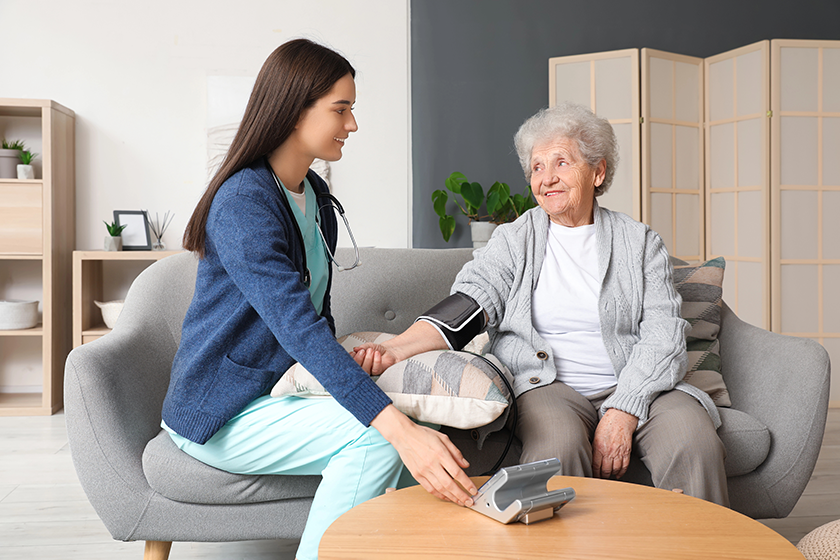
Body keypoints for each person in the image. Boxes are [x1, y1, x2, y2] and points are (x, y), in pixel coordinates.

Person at [160, 39, 476, 560]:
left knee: (417, 426)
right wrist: (394, 427)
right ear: (293, 107)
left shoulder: (315, 197)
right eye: (341, 109)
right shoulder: (244, 200)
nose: (352, 125)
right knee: (382, 436)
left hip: (279, 389)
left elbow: (317, 318)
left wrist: (350, 368)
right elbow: (296, 328)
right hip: (223, 410)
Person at [353, 101, 729, 506]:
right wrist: (394, 349)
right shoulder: (515, 239)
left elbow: (664, 333)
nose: (546, 178)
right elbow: (469, 303)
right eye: (536, 167)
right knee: (556, 446)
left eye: (561, 162)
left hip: (640, 385)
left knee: (692, 442)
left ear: (597, 171)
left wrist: (624, 407)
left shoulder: (639, 242)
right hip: (548, 385)